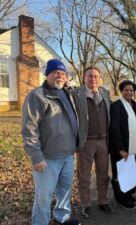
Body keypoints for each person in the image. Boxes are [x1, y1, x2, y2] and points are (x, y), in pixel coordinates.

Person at [22, 59, 80, 225]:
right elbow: (29, 128)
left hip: (68, 155)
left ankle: (62, 218)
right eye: (56, 72)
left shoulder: (67, 93)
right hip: (47, 158)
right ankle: (40, 222)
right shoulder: (37, 96)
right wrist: (36, 157)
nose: (60, 76)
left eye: (62, 73)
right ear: (47, 74)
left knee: (64, 191)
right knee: (43, 197)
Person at [71, 67, 113, 218]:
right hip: (86, 142)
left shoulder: (105, 93)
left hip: (103, 141)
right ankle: (86, 204)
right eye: (90, 76)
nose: (93, 79)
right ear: (84, 77)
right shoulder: (75, 94)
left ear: (99, 78)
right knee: (84, 176)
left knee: (103, 175)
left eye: (96, 76)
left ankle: (103, 201)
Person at [109, 80, 136, 210]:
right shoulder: (116, 106)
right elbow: (114, 129)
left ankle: (128, 195)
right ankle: (121, 199)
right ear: (121, 91)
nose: (129, 92)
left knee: (131, 174)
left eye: (131, 90)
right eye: (126, 90)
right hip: (122, 149)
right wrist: (121, 149)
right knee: (121, 175)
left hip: (134, 147)